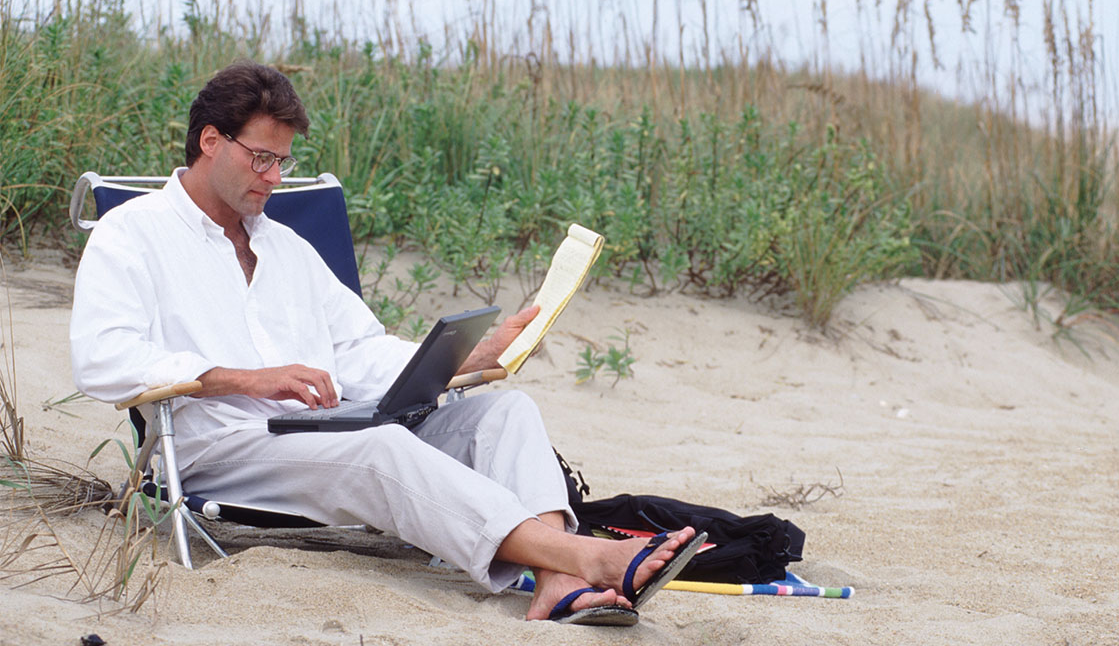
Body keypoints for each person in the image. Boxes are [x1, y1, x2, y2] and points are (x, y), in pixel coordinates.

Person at [70, 60, 703, 626]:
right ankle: (587, 558)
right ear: (211, 140)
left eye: (283, 162)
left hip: (324, 430)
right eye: (261, 158)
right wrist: (245, 377)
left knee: (504, 412)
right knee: (379, 447)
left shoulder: (286, 247)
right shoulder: (133, 234)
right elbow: (102, 359)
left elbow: (359, 352)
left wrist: (469, 359)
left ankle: (556, 582)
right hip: (224, 442)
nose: (273, 177)